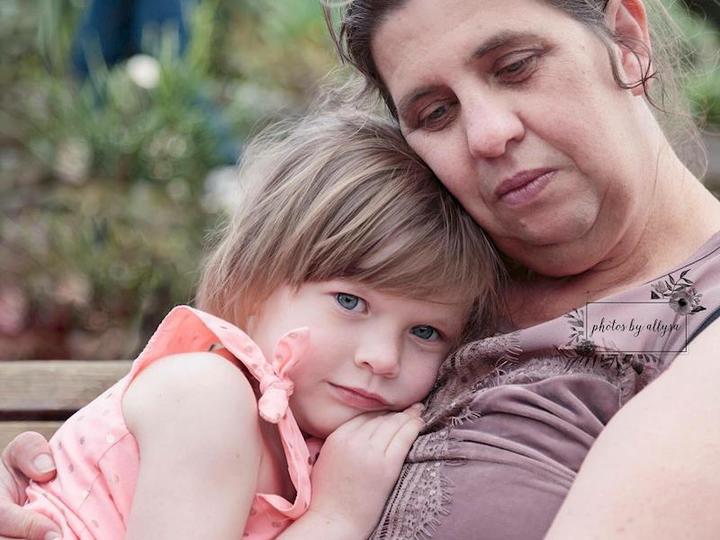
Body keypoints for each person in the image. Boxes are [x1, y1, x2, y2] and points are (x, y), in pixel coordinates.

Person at [3, 0, 720, 538]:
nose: (489, 135)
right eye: (435, 112)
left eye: (516, 66)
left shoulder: (698, 328)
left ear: (625, 35)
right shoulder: (441, 260)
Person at [0, 111, 502, 540]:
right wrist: (336, 518)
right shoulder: (206, 394)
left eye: (426, 332)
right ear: (253, 286)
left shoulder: (321, 441)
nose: (383, 357)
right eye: (350, 301)